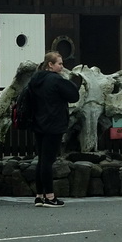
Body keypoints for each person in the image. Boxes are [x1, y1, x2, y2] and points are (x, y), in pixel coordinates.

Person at [28, 51, 80, 207]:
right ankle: (50, 197)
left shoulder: (35, 80)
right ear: (50, 64)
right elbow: (74, 96)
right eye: (60, 63)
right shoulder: (56, 80)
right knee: (48, 161)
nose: (62, 67)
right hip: (53, 124)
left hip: (38, 124)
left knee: (41, 159)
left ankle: (39, 195)